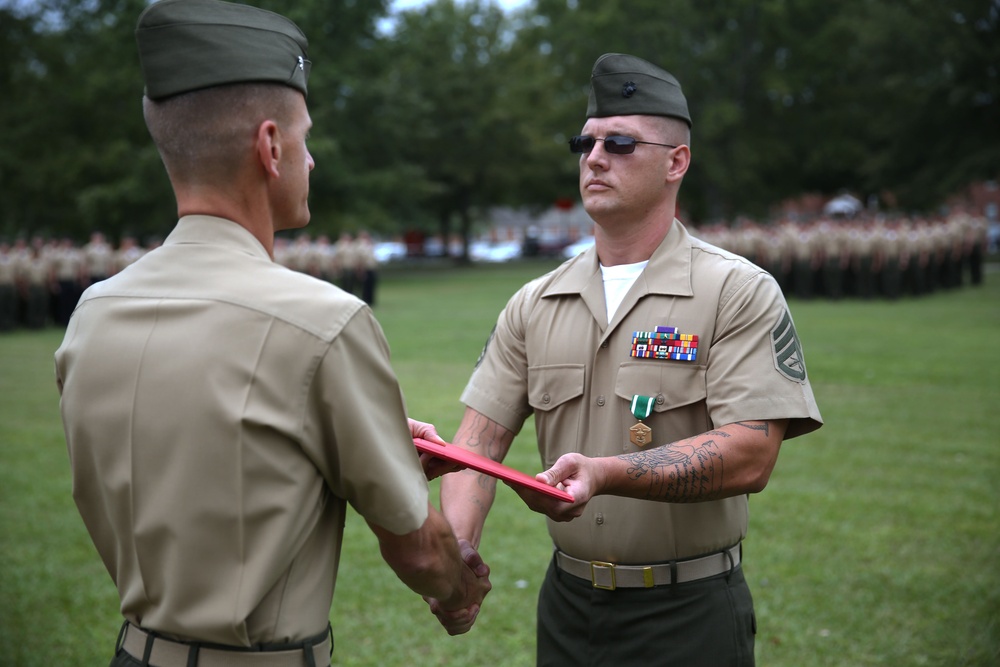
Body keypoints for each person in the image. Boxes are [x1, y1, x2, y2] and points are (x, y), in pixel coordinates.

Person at [54, 1, 489, 666]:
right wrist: (458, 587)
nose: (310, 160)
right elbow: (419, 548)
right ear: (270, 145)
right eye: (305, 138)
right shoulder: (323, 321)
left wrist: (343, 438)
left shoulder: (94, 311)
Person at [435, 53, 823, 666]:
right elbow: (475, 448)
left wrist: (608, 472)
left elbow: (752, 451)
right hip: (567, 607)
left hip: (687, 613)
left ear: (676, 161)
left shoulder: (735, 290)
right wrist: (455, 552)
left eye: (619, 143)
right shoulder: (535, 303)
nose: (594, 158)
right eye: (584, 143)